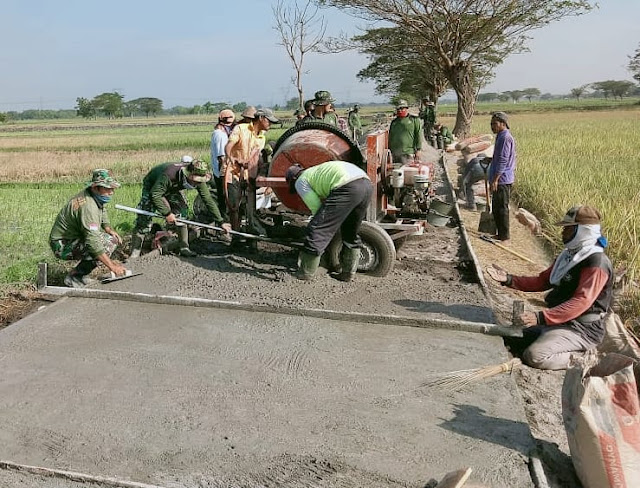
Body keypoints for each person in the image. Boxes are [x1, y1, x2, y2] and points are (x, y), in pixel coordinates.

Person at [486, 205, 613, 370]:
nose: (563, 233)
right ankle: (549, 335)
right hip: (560, 321)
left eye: (567, 229)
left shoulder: (596, 263)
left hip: (581, 329)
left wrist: (540, 317)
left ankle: (584, 358)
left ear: (582, 231)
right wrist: (509, 279)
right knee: (512, 337)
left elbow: (581, 301)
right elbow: (543, 281)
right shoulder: (570, 255)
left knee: (534, 355)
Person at [284, 160, 372, 282]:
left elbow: (316, 207)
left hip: (347, 187)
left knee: (317, 229)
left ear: (293, 179)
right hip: (366, 184)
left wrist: (320, 225)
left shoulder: (300, 181)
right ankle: (348, 273)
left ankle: (305, 273)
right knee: (350, 230)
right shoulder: (315, 171)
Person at [131, 157, 230, 258]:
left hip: (172, 189)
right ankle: (135, 253)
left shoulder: (199, 181)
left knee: (182, 212)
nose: (196, 184)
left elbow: (208, 200)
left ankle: (184, 248)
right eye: (194, 181)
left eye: (199, 181)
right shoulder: (169, 174)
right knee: (144, 217)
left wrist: (220, 221)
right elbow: (155, 194)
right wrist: (167, 213)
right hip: (153, 186)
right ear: (188, 174)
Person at [49, 169, 127, 288]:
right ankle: (74, 277)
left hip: (72, 237)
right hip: (61, 244)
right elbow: (92, 241)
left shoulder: (94, 196)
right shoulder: (88, 208)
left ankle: (80, 275)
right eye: (107, 189)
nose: (111, 192)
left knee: (109, 239)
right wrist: (112, 267)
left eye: (112, 189)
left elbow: (102, 208)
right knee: (106, 243)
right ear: (95, 188)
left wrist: (107, 228)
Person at [224, 108, 279, 237]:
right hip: (233, 173)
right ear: (261, 118)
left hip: (249, 176)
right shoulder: (241, 129)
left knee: (249, 208)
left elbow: (256, 158)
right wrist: (232, 157)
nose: (270, 125)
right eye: (269, 121)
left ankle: (250, 235)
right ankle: (235, 237)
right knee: (234, 208)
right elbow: (229, 145)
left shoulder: (261, 138)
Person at [488, 111, 516, 242]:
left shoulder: (505, 138)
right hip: (499, 178)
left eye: (495, 124)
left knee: (501, 208)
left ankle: (504, 236)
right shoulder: (500, 136)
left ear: (503, 124)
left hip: (503, 179)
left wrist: (495, 179)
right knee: (496, 207)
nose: (492, 126)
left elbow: (503, 160)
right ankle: (499, 233)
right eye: (491, 124)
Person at [210, 108, 236, 216]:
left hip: (222, 171)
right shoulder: (221, 135)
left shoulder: (220, 133)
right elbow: (221, 158)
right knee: (226, 200)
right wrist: (224, 176)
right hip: (222, 172)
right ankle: (225, 220)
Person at [388, 99, 422, 166]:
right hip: (395, 153)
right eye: (398, 109)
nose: (400, 110)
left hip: (407, 153)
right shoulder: (394, 122)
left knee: (407, 172)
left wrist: (418, 150)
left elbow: (418, 135)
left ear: (406, 108)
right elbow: (390, 137)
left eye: (402, 108)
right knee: (396, 174)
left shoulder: (414, 120)